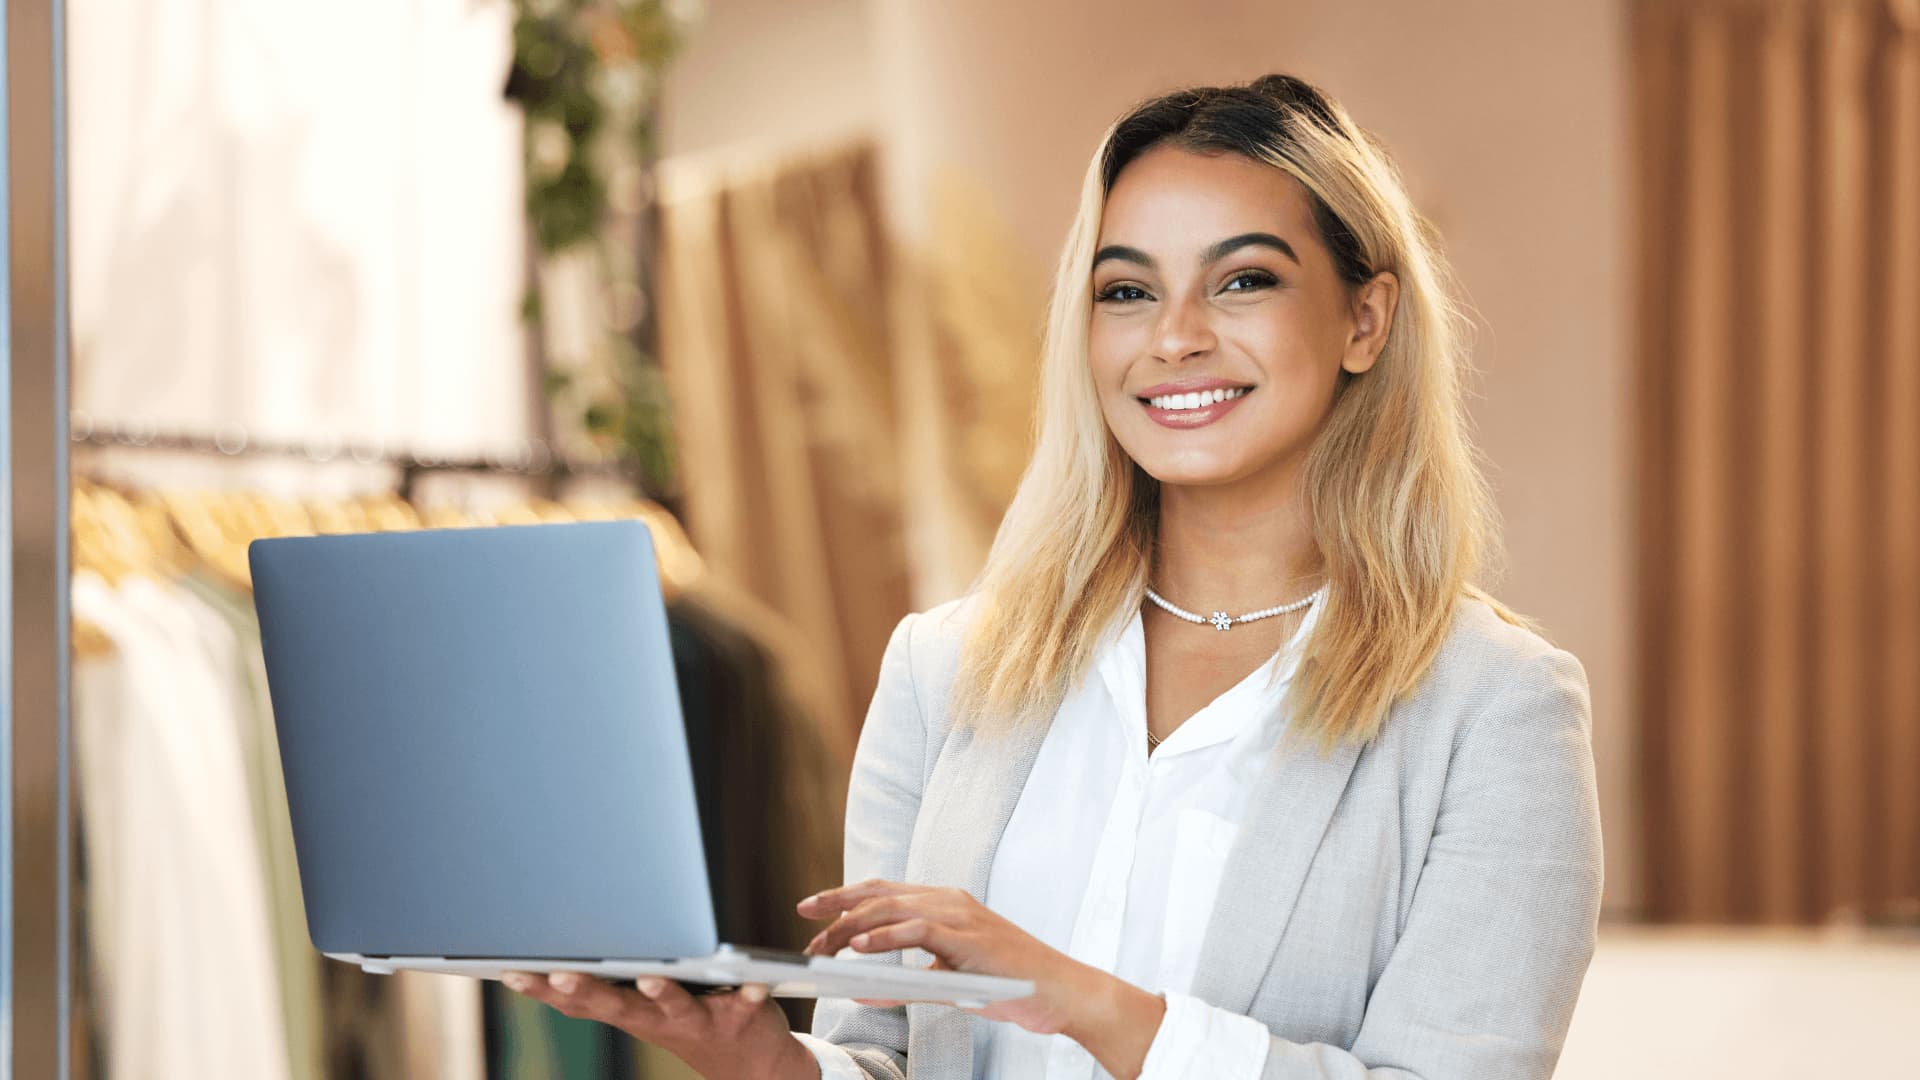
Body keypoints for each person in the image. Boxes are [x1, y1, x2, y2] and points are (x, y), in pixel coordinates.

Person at [504, 72, 1604, 1080]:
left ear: (1366, 318)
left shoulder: (1494, 709)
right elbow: (886, 1061)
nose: (1174, 338)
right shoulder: (945, 671)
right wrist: (756, 1055)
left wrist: (1073, 997)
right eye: (1125, 292)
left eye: (1244, 281)